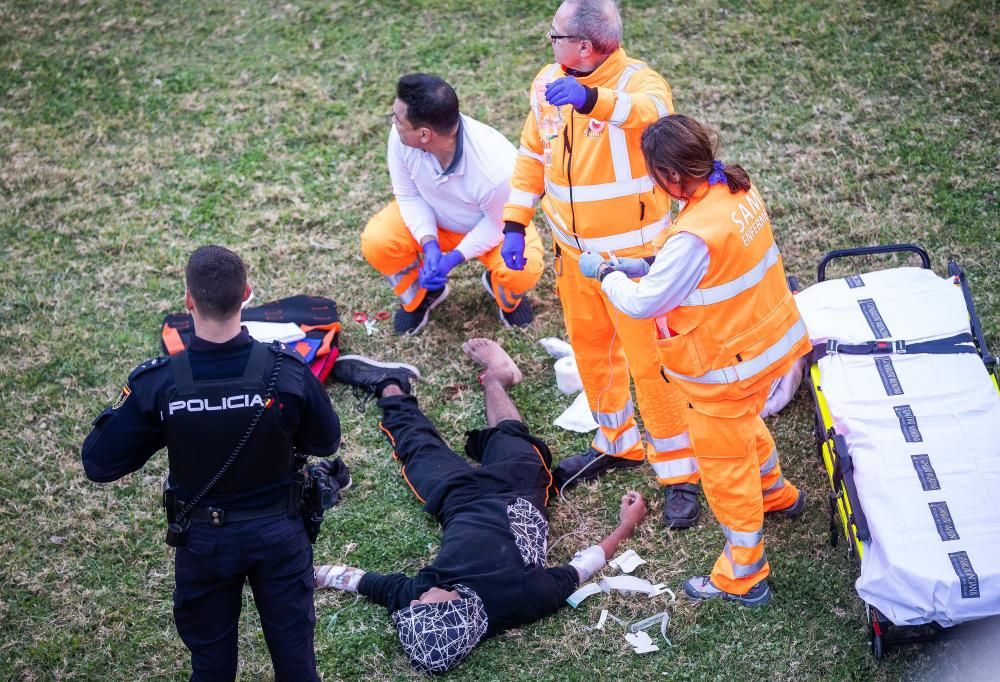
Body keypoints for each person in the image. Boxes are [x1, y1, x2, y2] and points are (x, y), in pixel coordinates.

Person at [577, 114, 811, 606]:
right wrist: (644, 266)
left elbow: (643, 303)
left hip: (724, 370)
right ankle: (777, 495)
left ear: (674, 177)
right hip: (766, 347)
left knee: (726, 473)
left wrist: (605, 273)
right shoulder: (734, 190)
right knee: (744, 425)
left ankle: (743, 578)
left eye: (654, 175)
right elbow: (706, 266)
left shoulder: (693, 235)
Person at [81, 246, 343, 680]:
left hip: (204, 542)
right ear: (246, 293)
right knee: (297, 667)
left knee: (211, 669)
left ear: (188, 300)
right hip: (280, 535)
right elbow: (327, 440)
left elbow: (100, 462)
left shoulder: (160, 382)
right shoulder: (288, 371)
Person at [320, 339, 648, 674]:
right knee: (511, 436)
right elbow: (585, 565)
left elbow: (358, 580)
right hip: (517, 491)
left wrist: (313, 575)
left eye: (413, 605)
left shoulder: (420, 598)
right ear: (452, 609)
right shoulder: (523, 597)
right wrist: (626, 524)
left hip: (455, 502)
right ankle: (497, 377)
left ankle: (390, 383)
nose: (415, 601)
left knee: (415, 447)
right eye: (421, 606)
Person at [500, 0, 701, 528]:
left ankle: (680, 474)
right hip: (576, 261)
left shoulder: (641, 84)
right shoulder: (548, 80)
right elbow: (531, 154)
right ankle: (618, 443)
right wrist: (515, 222)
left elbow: (652, 115)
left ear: (585, 46)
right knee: (593, 356)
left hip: (636, 265)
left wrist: (591, 99)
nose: (550, 42)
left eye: (555, 34)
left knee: (651, 368)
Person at [361, 73, 544, 335]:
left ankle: (503, 291)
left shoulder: (496, 168)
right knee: (378, 242)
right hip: (434, 221)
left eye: (398, 119)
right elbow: (408, 195)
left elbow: (498, 223)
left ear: (424, 134)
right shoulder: (401, 137)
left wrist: (453, 259)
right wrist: (429, 243)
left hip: (493, 228)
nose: (393, 122)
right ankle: (423, 294)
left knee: (522, 269)